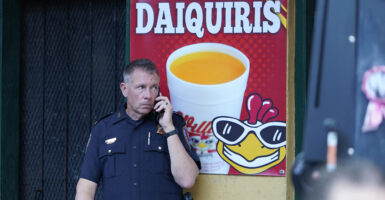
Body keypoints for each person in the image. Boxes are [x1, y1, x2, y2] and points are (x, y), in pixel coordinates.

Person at [75, 58, 200, 200]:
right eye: (141, 87)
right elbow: (86, 187)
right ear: (124, 89)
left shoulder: (173, 123)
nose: (148, 95)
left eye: (154, 88)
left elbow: (187, 180)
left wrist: (169, 128)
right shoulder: (103, 129)